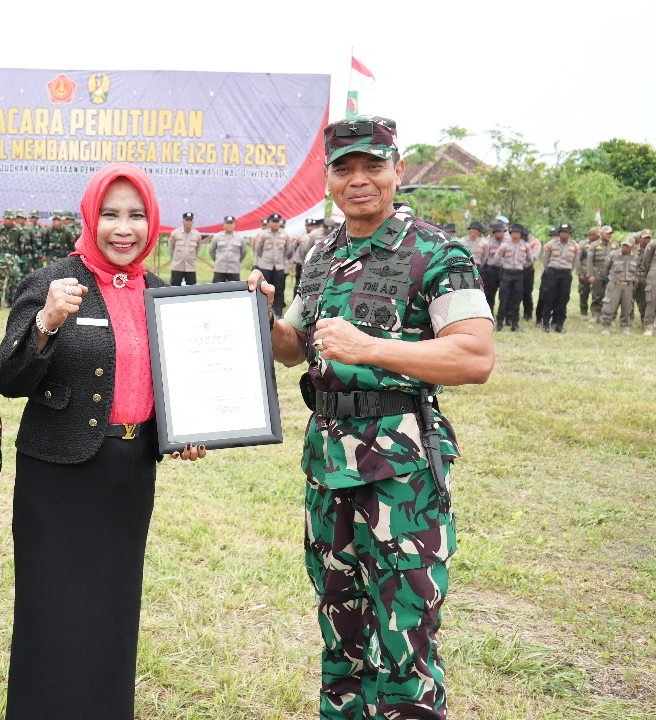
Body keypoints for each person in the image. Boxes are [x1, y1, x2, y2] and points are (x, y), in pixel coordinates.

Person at [257, 115, 493, 719]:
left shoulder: (438, 253)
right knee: (342, 631)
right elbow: (295, 348)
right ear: (329, 178)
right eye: (344, 168)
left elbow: (474, 356)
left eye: (373, 166)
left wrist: (370, 347)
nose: (359, 180)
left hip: (401, 475)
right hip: (327, 466)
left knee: (403, 637)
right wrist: (262, 318)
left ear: (398, 170)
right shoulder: (322, 254)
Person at [0, 162, 204, 720]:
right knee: (52, 611)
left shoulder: (161, 294)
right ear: (90, 216)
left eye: (136, 215)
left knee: (112, 610)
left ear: (152, 222)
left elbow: (170, 383)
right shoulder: (53, 282)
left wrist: (186, 431)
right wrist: (46, 322)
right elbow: (7, 378)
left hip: (128, 475)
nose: (123, 228)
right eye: (110, 214)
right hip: (58, 478)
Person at [538, 222, 579, 333]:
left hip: (565, 274)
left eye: (566, 232)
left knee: (563, 299)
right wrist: (549, 270)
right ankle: (545, 324)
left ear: (570, 233)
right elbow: (545, 259)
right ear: (559, 233)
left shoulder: (574, 246)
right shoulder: (550, 244)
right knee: (548, 298)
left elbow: (575, 261)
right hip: (552, 272)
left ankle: (559, 324)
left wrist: (568, 270)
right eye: (562, 232)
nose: (564, 234)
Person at [253, 212, 296, 317]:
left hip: (279, 267)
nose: (275, 224)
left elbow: (289, 250)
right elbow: (258, 249)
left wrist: (281, 258)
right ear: (269, 222)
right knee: (264, 289)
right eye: (273, 221)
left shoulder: (285, 235)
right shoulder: (263, 234)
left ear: (280, 222)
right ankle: (264, 311)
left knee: (279, 289)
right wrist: (263, 259)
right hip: (265, 266)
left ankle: (278, 312)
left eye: (277, 221)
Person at [600, 235, 641, 334]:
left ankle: (625, 326)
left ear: (632, 247)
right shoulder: (613, 254)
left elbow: (637, 270)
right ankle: (606, 326)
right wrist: (610, 282)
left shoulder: (635, 257)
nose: (625, 247)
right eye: (624, 245)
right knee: (609, 306)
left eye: (627, 246)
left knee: (627, 307)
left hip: (628, 286)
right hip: (614, 284)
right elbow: (606, 269)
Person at [494, 223, 531, 331]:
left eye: (518, 233)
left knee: (517, 299)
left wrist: (521, 266)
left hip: (519, 275)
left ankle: (515, 324)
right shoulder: (505, 245)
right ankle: (499, 323)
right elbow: (496, 259)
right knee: (504, 299)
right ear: (510, 233)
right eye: (514, 232)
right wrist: (505, 265)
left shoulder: (525, 246)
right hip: (506, 274)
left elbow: (530, 259)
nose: (516, 235)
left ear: (521, 234)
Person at [0, 209, 23, 310]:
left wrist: (18, 256)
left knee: (14, 280)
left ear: (13, 219)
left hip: (14, 258)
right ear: (4, 219)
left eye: (10, 219)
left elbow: (22, 244)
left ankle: (10, 300)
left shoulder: (18, 230)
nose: (8, 221)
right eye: (7, 218)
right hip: (2, 257)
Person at [208, 215, 249, 282]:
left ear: (234, 225)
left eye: (231, 223)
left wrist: (237, 260)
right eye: (227, 223)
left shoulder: (240, 238)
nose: (229, 225)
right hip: (220, 268)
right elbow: (211, 250)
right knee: (217, 287)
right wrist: (218, 260)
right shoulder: (217, 236)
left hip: (234, 269)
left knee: (234, 288)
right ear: (224, 225)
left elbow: (244, 252)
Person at [588, 225, 615, 322]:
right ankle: (595, 314)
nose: (609, 235)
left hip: (610, 274)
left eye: (610, 233)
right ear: (601, 234)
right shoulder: (594, 245)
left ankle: (605, 314)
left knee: (608, 295)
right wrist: (590, 275)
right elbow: (589, 260)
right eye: (607, 233)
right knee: (597, 294)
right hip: (598, 273)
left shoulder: (614, 245)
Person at [167, 211, 202, 286]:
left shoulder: (197, 235)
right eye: (187, 220)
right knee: (174, 288)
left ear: (193, 222)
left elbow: (197, 250)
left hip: (190, 267)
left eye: (190, 220)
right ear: (183, 221)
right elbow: (171, 249)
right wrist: (174, 259)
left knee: (191, 289)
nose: (188, 222)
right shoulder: (175, 233)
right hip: (177, 266)